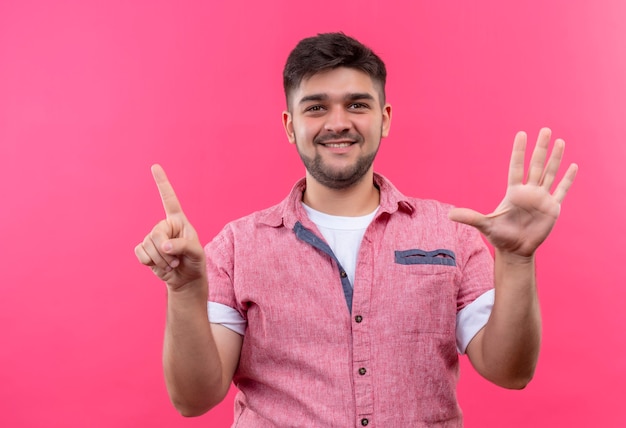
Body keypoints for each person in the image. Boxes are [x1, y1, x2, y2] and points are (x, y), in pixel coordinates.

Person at [135, 32, 578, 427]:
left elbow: (510, 371)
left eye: (357, 104)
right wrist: (185, 291)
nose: (338, 122)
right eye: (316, 107)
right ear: (291, 126)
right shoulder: (236, 246)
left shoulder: (452, 234)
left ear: (384, 118)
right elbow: (194, 399)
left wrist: (518, 261)